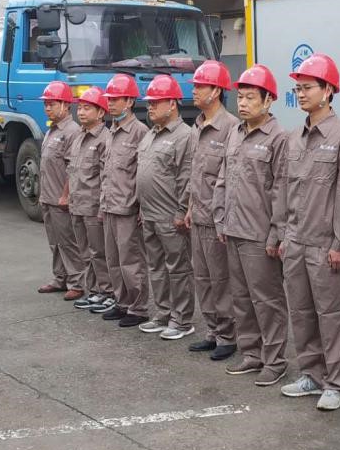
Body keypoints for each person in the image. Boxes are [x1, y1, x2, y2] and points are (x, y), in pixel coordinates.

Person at [275, 53, 340, 411]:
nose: (300, 93)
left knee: (330, 314)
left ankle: (336, 383)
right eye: (297, 88)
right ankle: (311, 374)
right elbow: (285, 188)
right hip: (296, 240)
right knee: (301, 311)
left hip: (325, 244)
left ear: (328, 90)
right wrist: (284, 235)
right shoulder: (294, 138)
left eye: (307, 87)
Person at [213, 65, 291, 384]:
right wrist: (220, 218)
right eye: (240, 97)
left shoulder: (278, 138)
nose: (242, 103)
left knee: (267, 300)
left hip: (260, 235)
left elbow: (282, 189)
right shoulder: (235, 132)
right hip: (233, 229)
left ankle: (275, 360)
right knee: (241, 297)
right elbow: (222, 178)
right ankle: (252, 353)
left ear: (268, 100)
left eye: (250, 98)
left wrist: (276, 233)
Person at [184, 61, 240, 359]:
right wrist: (190, 207)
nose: (194, 91)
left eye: (200, 86)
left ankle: (228, 336)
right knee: (203, 279)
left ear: (216, 91)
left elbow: (229, 179)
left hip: (216, 220)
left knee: (221, 280)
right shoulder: (197, 126)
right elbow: (195, 174)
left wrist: (222, 219)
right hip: (198, 216)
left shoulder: (231, 127)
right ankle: (213, 330)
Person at [135, 75, 197, 341]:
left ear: (172, 104)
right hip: (149, 214)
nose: (149, 107)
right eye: (149, 103)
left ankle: (181, 320)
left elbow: (186, 177)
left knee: (178, 268)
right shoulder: (150, 135)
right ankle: (162, 314)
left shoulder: (185, 136)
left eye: (155, 103)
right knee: (156, 268)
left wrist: (181, 211)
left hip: (170, 216)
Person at [99, 73, 152, 328]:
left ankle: (138, 307)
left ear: (129, 101)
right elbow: (106, 170)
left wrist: (140, 206)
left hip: (128, 207)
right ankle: (121, 302)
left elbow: (142, 172)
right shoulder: (111, 131)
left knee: (131, 260)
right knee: (113, 259)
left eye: (116, 99)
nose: (110, 103)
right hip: (110, 204)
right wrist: (102, 202)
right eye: (109, 99)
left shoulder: (140, 132)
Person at [68, 86, 116, 314]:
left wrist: (102, 206)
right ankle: (95, 289)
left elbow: (106, 176)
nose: (81, 112)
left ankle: (108, 291)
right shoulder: (79, 137)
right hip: (77, 204)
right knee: (85, 252)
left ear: (101, 113)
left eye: (88, 108)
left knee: (100, 252)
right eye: (80, 108)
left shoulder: (105, 139)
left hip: (94, 205)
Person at [36, 81, 84, 300]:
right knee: (55, 242)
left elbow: (72, 169)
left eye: (52, 104)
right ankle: (60, 278)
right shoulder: (51, 131)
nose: (47, 108)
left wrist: (65, 195)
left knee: (68, 242)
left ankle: (77, 282)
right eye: (46, 104)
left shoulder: (72, 132)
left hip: (61, 200)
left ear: (65, 105)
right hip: (48, 197)